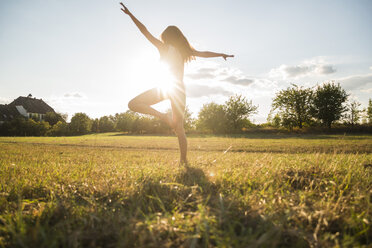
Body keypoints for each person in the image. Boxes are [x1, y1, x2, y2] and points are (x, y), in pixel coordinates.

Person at [120, 2, 234, 164]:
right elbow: (205, 53)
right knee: (179, 128)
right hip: (179, 89)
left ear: (166, 37)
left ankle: (162, 116)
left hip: (166, 88)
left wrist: (131, 15)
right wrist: (221, 54)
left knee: (133, 104)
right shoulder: (185, 51)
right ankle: (183, 161)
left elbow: (144, 31)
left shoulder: (163, 47)